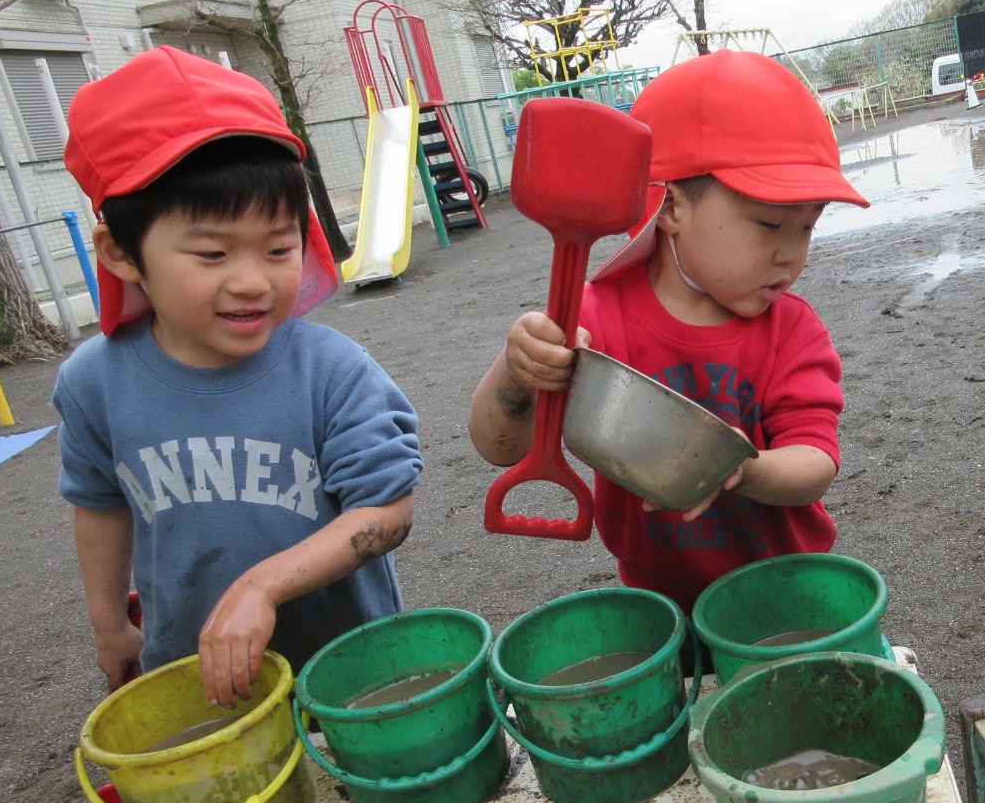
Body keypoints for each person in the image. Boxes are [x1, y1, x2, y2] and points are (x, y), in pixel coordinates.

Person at [54, 47, 422, 706]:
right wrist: (109, 626)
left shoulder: (330, 372)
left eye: (279, 248)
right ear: (120, 253)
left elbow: (387, 512)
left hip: (354, 675)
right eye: (213, 253)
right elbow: (100, 503)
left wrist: (263, 585)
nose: (252, 280)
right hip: (201, 681)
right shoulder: (93, 385)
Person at [469, 50, 868, 616]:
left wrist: (743, 467)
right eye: (770, 224)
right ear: (673, 205)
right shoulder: (593, 319)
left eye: (808, 226)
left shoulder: (791, 330)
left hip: (785, 595)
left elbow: (814, 463)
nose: (791, 253)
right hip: (659, 603)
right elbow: (500, 447)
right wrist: (517, 373)